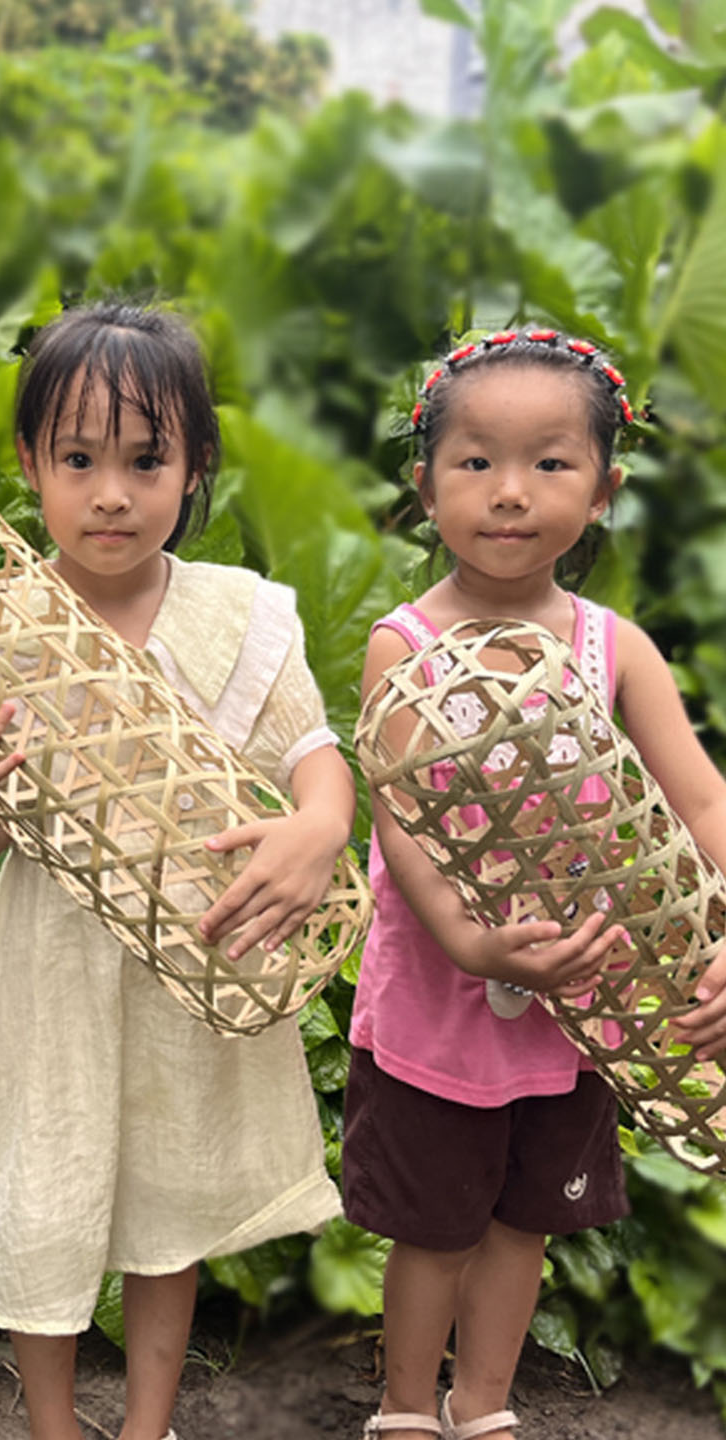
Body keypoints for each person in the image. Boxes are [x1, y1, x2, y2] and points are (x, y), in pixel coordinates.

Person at [0, 301, 357, 1440]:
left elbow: (316, 760)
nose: (113, 492)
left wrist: (318, 831)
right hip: (53, 959)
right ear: (29, 466)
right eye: (80, 459)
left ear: (194, 465)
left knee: (170, 1199)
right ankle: (54, 1426)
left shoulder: (238, 619)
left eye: (147, 459)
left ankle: (147, 1426)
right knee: (44, 1192)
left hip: (193, 955)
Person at [345, 330, 726, 1440]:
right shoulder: (403, 645)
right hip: (440, 1003)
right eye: (475, 463)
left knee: (524, 1223)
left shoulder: (616, 650)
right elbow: (399, 816)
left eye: (551, 464)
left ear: (603, 490)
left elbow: (700, 802)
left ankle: (487, 1404)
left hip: (577, 1004)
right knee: (435, 1229)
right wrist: (469, 943)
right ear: (424, 488)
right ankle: (410, 1406)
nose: (510, 493)